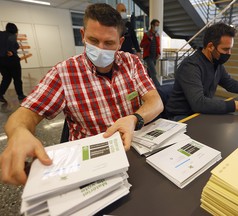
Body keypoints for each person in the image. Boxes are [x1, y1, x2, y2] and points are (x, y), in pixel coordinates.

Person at [0, 3, 163, 185]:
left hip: (133, 149)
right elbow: (23, 115)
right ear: (83, 35)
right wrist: (19, 133)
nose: (100, 48)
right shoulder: (64, 73)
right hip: (92, 161)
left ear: (120, 43)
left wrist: (134, 118)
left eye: (109, 43)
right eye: (93, 41)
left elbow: (155, 101)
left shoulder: (131, 62)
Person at [166, 22, 238, 121]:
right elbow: (199, 103)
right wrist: (237, 106)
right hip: (180, 118)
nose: (229, 53)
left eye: (230, 48)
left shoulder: (216, 63)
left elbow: (230, 84)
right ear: (210, 46)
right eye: (225, 49)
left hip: (198, 114)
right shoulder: (191, 66)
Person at [0, 23, 26, 103]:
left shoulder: (1, 34)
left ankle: (0, 94)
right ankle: (20, 95)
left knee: (6, 78)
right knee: (17, 78)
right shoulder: (12, 35)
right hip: (12, 60)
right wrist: (11, 51)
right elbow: (15, 47)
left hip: (1, 60)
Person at [140, 19, 161, 87]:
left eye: (158, 25)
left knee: (149, 73)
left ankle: (148, 86)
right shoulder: (147, 34)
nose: (157, 27)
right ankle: (159, 87)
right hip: (148, 57)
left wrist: (159, 53)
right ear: (152, 25)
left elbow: (158, 45)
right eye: (156, 25)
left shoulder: (157, 35)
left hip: (154, 57)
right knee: (153, 73)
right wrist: (149, 39)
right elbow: (142, 45)